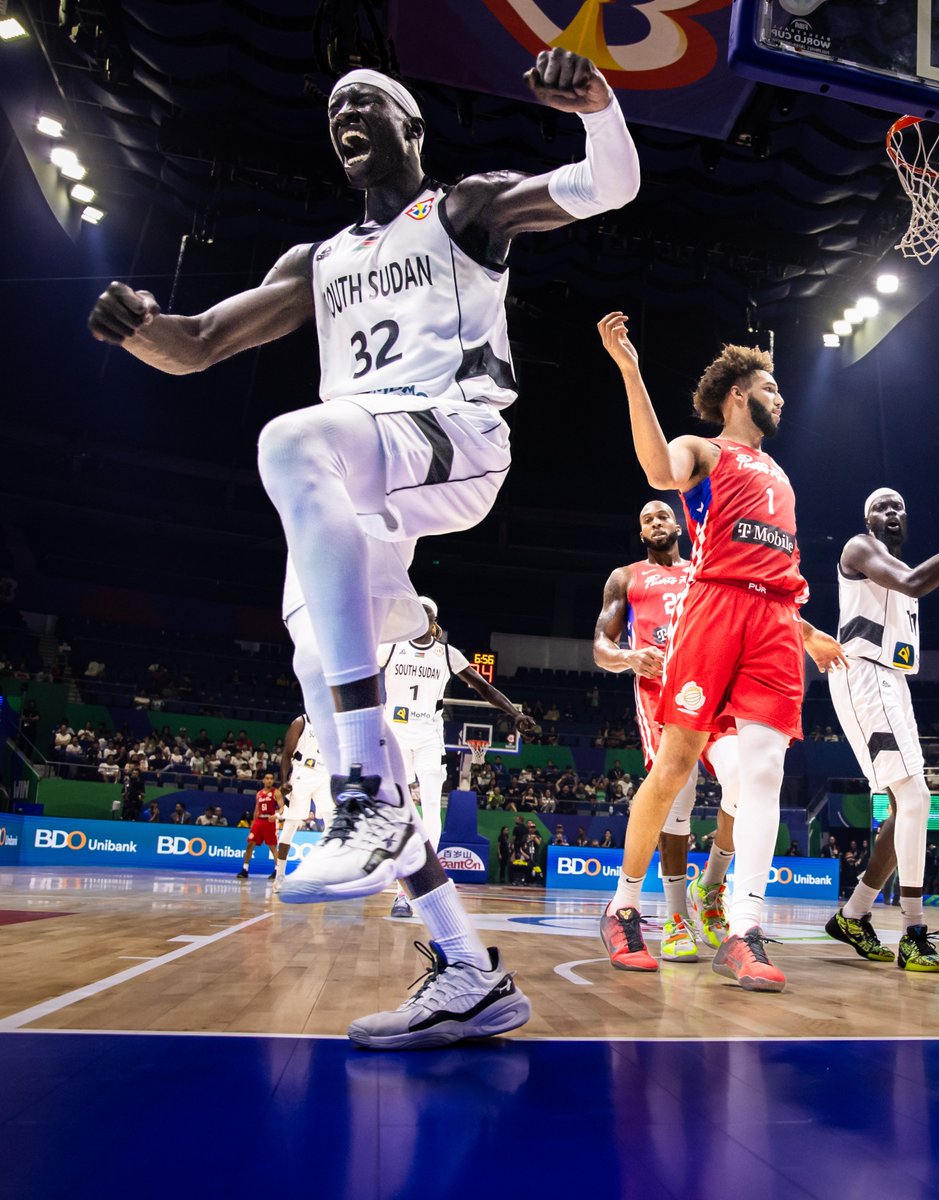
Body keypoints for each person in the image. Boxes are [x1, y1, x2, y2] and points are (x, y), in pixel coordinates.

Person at [87, 50, 638, 1048]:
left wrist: (598, 108)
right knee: (326, 682)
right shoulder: (318, 259)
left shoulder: (464, 210)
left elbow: (609, 185)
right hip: (358, 482)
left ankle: (355, 803)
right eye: (334, 107)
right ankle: (466, 969)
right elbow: (200, 341)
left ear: (411, 130)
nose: (345, 115)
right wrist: (139, 330)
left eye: (367, 104)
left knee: (290, 437)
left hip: (451, 439)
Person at [595, 312, 847, 992]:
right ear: (739, 394)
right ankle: (622, 907)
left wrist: (806, 632)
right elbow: (655, 467)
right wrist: (630, 370)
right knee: (676, 764)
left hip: (772, 621)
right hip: (713, 608)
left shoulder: (782, 475)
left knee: (762, 773)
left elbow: (777, 569)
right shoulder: (706, 453)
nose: (782, 396)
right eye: (771, 385)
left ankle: (744, 928)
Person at [593, 499, 740, 968]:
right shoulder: (626, 576)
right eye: (646, 519)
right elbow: (600, 645)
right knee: (678, 790)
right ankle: (676, 916)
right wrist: (627, 658)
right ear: (641, 533)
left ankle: (711, 884)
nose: (656, 522)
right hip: (660, 688)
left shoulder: (705, 568)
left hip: (712, 682)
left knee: (742, 778)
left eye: (662, 516)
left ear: (678, 524)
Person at [824, 488, 939, 973]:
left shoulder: (898, 571)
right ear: (867, 518)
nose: (892, 513)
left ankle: (854, 914)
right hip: (864, 674)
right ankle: (913, 931)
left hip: (892, 682)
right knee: (917, 798)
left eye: (900, 506)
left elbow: (916, 580)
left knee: (905, 805)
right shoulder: (860, 548)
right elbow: (918, 581)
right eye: (882, 506)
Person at [379, 595, 536, 917]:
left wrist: (513, 714)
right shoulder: (390, 647)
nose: (416, 617)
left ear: (433, 619)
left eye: (423, 613)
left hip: (428, 738)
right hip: (393, 737)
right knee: (402, 810)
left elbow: (484, 688)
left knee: (432, 809)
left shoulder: (447, 655)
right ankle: (399, 873)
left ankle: (409, 892)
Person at [274, 714, 333, 894]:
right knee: (291, 826)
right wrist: (284, 781)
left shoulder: (332, 722)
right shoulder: (301, 722)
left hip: (324, 775)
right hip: (302, 773)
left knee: (332, 825)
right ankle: (280, 876)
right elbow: (286, 754)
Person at [236, 773, 282, 880]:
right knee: (250, 845)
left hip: (270, 821)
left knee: (273, 847)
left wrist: (276, 815)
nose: (269, 780)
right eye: (267, 778)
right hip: (259, 821)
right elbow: (256, 809)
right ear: (263, 780)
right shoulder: (259, 794)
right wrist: (253, 823)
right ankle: (245, 870)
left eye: (271, 779)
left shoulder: (276, 792)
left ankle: (277, 871)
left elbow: (282, 807)